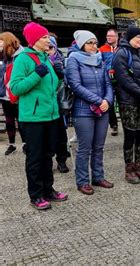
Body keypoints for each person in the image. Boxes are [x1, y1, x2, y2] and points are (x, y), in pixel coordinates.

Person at [10, 22, 68, 210]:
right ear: (34, 40)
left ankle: (48, 190)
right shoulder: (23, 59)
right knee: (35, 158)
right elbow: (16, 87)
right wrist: (36, 74)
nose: (48, 40)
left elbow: (49, 87)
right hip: (33, 118)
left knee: (47, 155)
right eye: (44, 37)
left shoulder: (45, 58)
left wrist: (58, 76)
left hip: (50, 116)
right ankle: (35, 195)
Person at [65, 30, 114, 195]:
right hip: (83, 110)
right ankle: (82, 181)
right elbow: (76, 85)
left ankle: (98, 177)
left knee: (99, 147)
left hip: (102, 110)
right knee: (84, 148)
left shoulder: (100, 59)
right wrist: (99, 101)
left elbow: (108, 83)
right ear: (81, 44)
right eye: (90, 43)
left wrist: (107, 100)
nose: (94, 46)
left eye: (95, 42)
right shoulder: (73, 60)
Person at [113, 26, 140, 184]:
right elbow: (124, 80)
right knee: (130, 135)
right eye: (138, 37)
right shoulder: (121, 54)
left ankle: (139, 166)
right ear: (130, 38)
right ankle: (129, 169)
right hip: (129, 102)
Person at [47, 35, 70, 174]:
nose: (48, 50)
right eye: (47, 47)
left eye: (51, 47)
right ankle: (48, 161)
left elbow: (69, 79)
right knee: (48, 136)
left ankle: (61, 160)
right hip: (45, 104)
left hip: (60, 102)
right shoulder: (40, 61)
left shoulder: (63, 60)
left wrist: (62, 73)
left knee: (61, 134)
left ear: (55, 48)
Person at [0, 32, 26, 156]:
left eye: (1, 41)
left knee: (21, 120)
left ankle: (25, 143)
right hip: (5, 94)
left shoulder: (22, 55)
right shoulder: (2, 56)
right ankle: (12, 144)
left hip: (18, 94)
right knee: (9, 121)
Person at [99, 28, 120, 136]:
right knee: (110, 104)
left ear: (117, 37)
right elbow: (100, 63)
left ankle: (126, 124)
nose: (109, 38)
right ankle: (114, 125)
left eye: (111, 36)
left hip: (121, 80)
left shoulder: (121, 49)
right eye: (107, 36)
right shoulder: (102, 49)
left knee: (123, 103)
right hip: (108, 80)